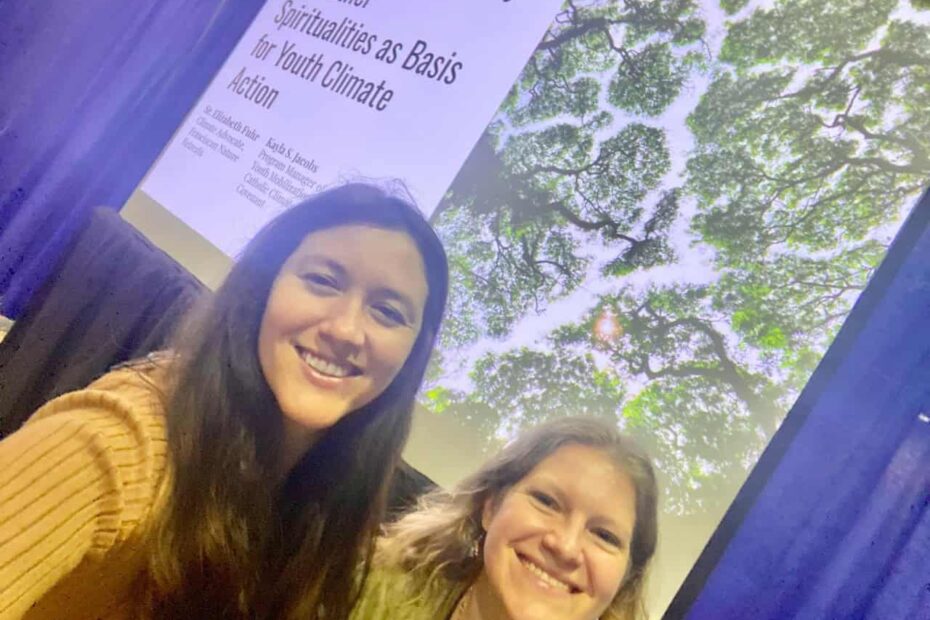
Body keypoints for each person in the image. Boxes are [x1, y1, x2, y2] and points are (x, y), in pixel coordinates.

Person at [0, 183, 449, 619]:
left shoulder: (323, 505)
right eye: (323, 281)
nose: (346, 330)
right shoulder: (121, 445)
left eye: (388, 312)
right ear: (262, 289)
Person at [352, 417, 659, 620]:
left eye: (604, 536)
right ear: (490, 506)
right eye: (547, 502)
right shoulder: (359, 589)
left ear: (626, 577)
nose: (565, 547)